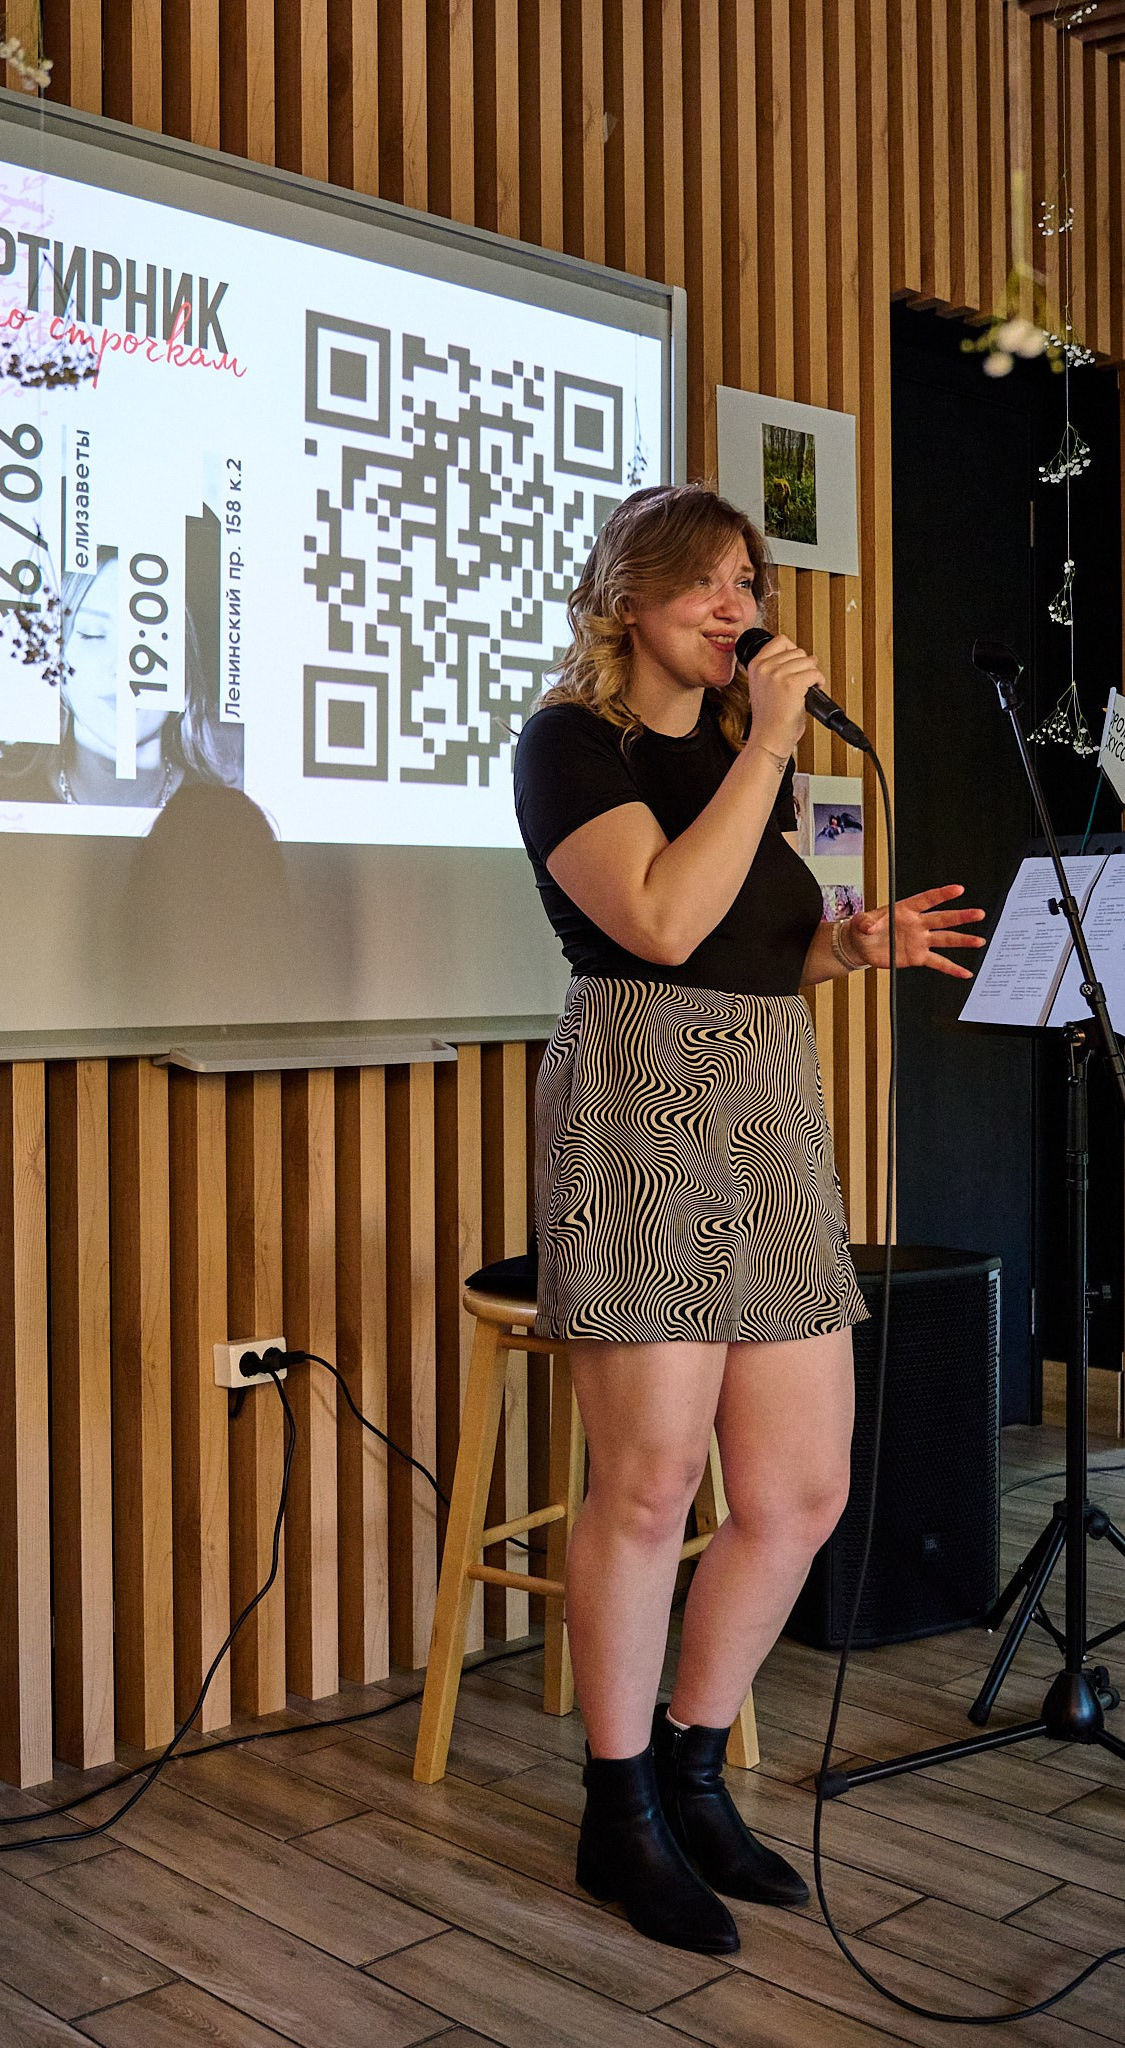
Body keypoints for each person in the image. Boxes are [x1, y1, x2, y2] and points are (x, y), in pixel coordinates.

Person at [512, 483, 984, 1956]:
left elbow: (745, 945)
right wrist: (771, 741)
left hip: (766, 1108)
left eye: (748, 583)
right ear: (627, 596)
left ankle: (691, 1769)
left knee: (796, 1491)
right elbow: (657, 922)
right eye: (708, 582)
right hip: (637, 1103)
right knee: (650, 1486)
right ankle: (614, 1810)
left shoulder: (735, 756)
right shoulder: (567, 745)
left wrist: (847, 945)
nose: (740, 608)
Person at [0, 552, 241, 803]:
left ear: (186, 671)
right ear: (56, 662)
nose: (123, 666)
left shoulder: (231, 829)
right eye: (92, 634)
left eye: (151, 639)